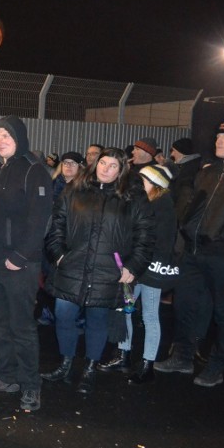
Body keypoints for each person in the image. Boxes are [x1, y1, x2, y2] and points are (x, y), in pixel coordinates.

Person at [155, 120, 224, 386]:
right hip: (194, 252)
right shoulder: (207, 172)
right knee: (184, 305)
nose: (219, 141)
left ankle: (217, 365)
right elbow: (192, 206)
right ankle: (182, 356)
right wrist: (187, 228)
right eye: (218, 136)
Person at [42, 147, 154, 394]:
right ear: (95, 164)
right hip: (73, 266)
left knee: (97, 320)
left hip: (107, 270)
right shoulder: (75, 190)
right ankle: (66, 363)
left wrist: (133, 267)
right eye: (103, 163)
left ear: (121, 170)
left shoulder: (132, 196)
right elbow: (56, 224)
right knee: (63, 314)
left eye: (113, 165)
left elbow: (145, 235)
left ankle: (90, 368)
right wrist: (58, 255)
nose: (106, 169)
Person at [0, 115, 53, 412]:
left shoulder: (34, 171)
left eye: (6, 135)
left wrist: (20, 257)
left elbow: (39, 219)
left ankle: (31, 385)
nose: (0, 141)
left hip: (19, 264)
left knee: (21, 326)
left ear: (19, 138)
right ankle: (6, 375)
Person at [100, 165, 177, 384]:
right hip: (135, 267)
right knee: (127, 309)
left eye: (142, 179)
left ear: (155, 184)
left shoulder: (163, 208)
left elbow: (157, 243)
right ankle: (123, 355)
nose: (137, 183)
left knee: (150, 315)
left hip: (150, 270)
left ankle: (147, 364)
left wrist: (135, 266)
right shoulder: (144, 203)